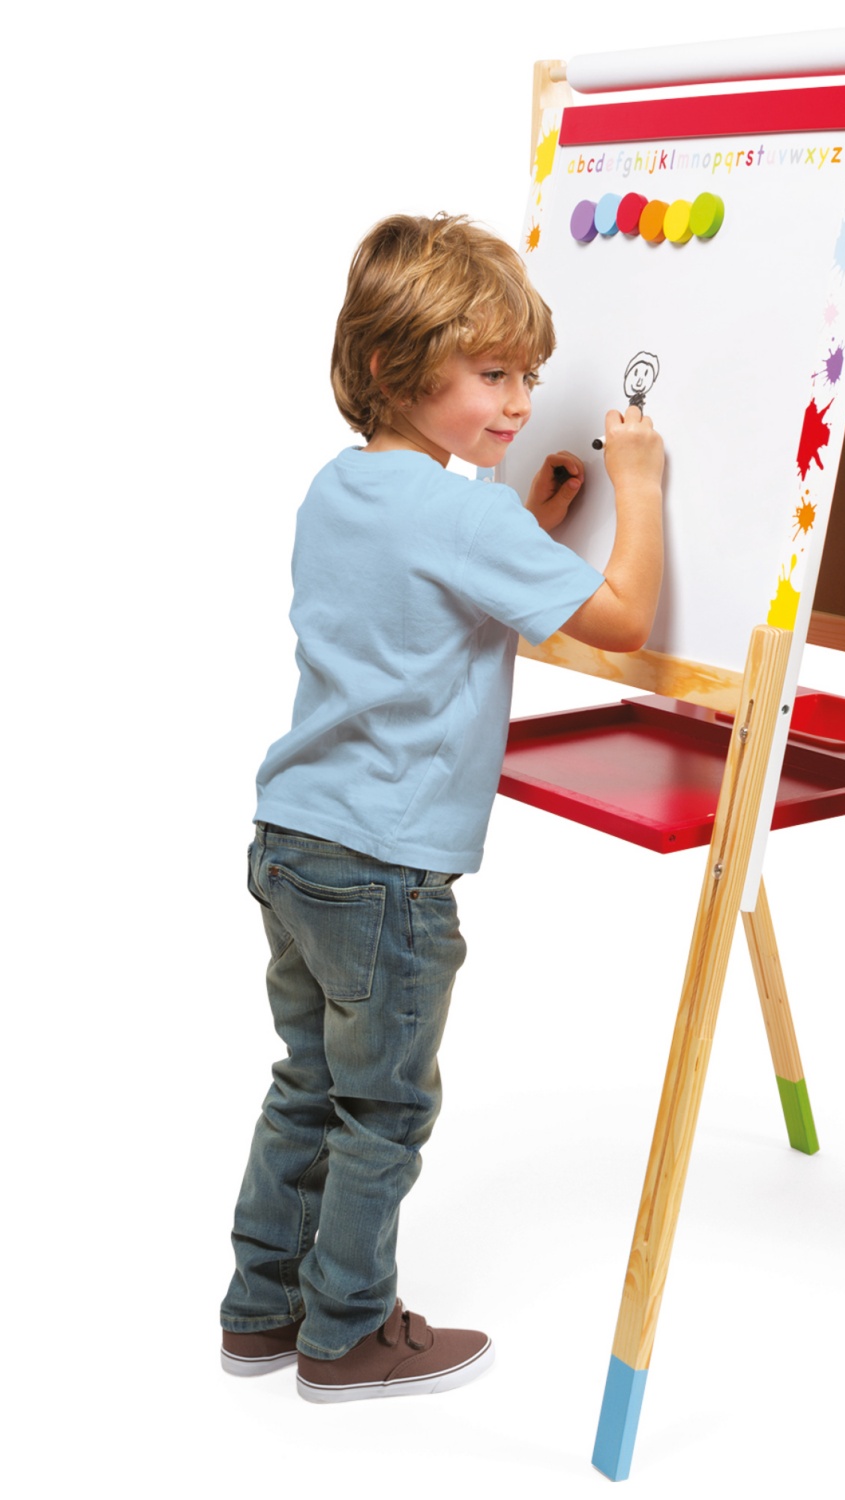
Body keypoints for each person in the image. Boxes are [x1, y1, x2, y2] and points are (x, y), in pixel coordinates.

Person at [219, 213, 664, 1402]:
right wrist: (639, 489)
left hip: (295, 840)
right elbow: (624, 620)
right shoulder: (468, 516)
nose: (521, 404)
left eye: (527, 376)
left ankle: (262, 1309)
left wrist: (532, 530)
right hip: (388, 869)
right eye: (492, 376)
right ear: (391, 365)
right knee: (384, 1107)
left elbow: (420, 596)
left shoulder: (340, 488)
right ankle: (347, 1333)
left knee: (307, 1082)